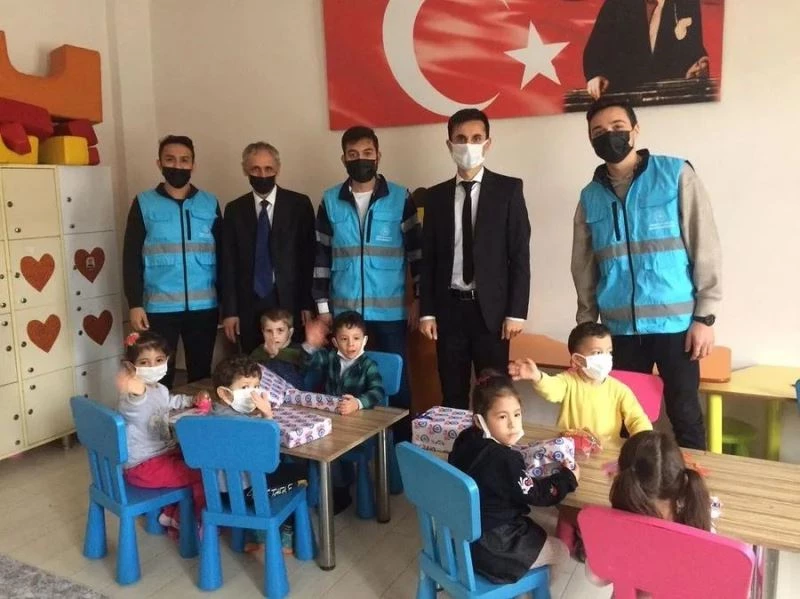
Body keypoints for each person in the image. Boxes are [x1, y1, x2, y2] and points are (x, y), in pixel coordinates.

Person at [571, 98, 721, 450]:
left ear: (635, 130)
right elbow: (584, 265)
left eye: (617, 127)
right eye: (598, 131)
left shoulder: (675, 175)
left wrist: (705, 317)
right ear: (591, 140)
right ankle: (632, 482)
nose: (609, 135)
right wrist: (586, 327)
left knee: (685, 415)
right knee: (627, 418)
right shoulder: (590, 197)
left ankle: (691, 482)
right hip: (619, 331)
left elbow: (705, 244)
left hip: (676, 326)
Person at [312, 126, 420, 442]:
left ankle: (401, 451)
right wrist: (323, 308)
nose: (361, 159)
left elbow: (417, 253)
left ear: (378, 155)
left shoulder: (400, 197)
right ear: (344, 158)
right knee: (344, 386)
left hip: (390, 314)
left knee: (396, 386)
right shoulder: (330, 200)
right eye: (353, 154)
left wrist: (419, 299)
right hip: (345, 315)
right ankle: (351, 450)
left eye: (367, 153)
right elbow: (321, 256)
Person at [420, 108, 531, 410]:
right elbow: (428, 259)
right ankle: (457, 442)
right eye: (461, 138)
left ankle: (492, 442)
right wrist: (427, 312)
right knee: (452, 394)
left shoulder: (509, 190)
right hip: (449, 311)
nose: (468, 145)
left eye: (476, 138)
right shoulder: (435, 197)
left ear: (487, 143)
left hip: (492, 314)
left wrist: (516, 312)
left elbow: (520, 255)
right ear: (449, 144)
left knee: (495, 396)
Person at [448, 371, 578, 584]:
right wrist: (568, 478)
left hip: (460, 534)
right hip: (493, 546)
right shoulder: (504, 459)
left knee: (535, 529)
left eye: (517, 414)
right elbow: (538, 495)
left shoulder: (464, 438)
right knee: (561, 551)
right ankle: (535, 594)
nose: (513, 424)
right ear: (479, 420)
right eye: (502, 417)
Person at [123, 135, 222, 389]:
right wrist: (134, 303)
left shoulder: (210, 203)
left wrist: (226, 303)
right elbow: (131, 256)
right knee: (158, 375)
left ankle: (197, 415)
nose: (178, 166)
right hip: (159, 308)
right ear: (159, 163)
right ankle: (160, 415)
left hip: (204, 307)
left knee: (201, 374)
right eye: (170, 159)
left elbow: (223, 256)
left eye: (184, 160)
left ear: (193, 165)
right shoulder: (144, 203)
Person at [586, 430, 712, 594]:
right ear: (682, 483)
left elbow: (595, 577)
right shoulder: (697, 529)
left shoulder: (618, 532)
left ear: (624, 481)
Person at [221, 141, 316, 353]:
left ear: (278, 169)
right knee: (253, 362)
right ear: (245, 170)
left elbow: (308, 258)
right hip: (249, 303)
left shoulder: (299, 205)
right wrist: (230, 311)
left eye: (268, 169)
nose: (262, 174)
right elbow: (228, 263)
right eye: (255, 169)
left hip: (290, 300)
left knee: (291, 361)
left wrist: (307, 304)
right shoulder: (234, 209)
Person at [211, 354, 308, 555]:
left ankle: (253, 536)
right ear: (224, 393)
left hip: (218, 494)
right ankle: (284, 538)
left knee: (261, 474)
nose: (253, 392)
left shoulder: (210, 416)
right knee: (302, 474)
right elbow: (270, 458)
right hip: (248, 493)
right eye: (245, 387)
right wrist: (267, 416)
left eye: (256, 386)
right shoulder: (251, 425)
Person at [116, 331, 206, 529]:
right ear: (131, 367)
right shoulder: (132, 398)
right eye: (144, 362)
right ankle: (192, 521)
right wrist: (134, 388)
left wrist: (192, 400)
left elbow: (168, 401)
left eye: (158, 360)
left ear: (167, 360)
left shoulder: (159, 389)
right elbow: (137, 401)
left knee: (195, 457)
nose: (153, 367)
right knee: (203, 473)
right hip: (143, 466)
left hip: (159, 456)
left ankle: (170, 513)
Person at [509, 322, 652, 441]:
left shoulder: (619, 390)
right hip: (570, 449)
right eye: (597, 353)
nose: (606, 358)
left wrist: (645, 439)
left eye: (609, 352)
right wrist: (537, 376)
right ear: (577, 359)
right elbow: (552, 389)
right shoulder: (568, 381)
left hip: (607, 452)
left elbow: (637, 419)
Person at [584, 0, 710, 99]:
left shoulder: (687, 3)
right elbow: (594, 51)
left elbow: (694, 50)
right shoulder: (617, 3)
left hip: (671, 99)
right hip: (625, 98)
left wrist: (699, 66)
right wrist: (596, 75)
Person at [304, 310, 384, 415]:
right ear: (335, 342)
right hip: (331, 414)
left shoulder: (368, 365)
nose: (351, 344)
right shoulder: (329, 357)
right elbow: (308, 364)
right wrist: (310, 345)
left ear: (364, 340)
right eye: (344, 339)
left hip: (358, 416)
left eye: (356, 338)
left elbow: (378, 392)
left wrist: (358, 403)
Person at [250, 308, 307, 389]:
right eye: (269, 331)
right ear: (263, 332)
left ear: (290, 332)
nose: (274, 336)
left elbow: (305, 363)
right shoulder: (258, 352)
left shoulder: (299, 350)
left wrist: (277, 354)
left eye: (280, 330)